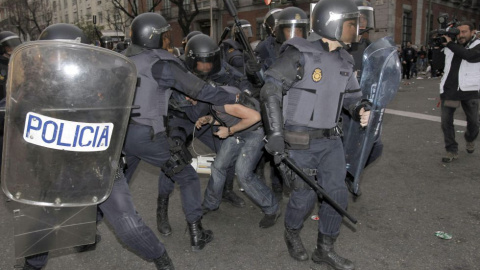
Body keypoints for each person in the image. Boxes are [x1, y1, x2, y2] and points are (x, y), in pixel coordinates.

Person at [21, 23, 175, 270]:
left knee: (128, 224)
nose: (54, 59)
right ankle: (32, 265)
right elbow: (15, 109)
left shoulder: (101, 82)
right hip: (58, 166)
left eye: (60, 53)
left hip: (98, 164)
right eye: (50, 53)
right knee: (44, 222)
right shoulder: (34, 85)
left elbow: (117, 114)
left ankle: (160, 257)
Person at [260, 0, 370, 268]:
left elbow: (353, 96)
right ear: (331, 23)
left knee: (337, 194)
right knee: (303, 196)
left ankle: (325, 248)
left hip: (332, 140)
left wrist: (360, 108)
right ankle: (292, 232)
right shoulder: (299, 53)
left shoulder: (345, 58)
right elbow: (269, 90)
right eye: (350, 24)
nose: (355, 30)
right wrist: (274, 133)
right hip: (300, 141)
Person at [122, 12, 237, 251]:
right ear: (153, 37)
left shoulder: (122, 59)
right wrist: (234, 96)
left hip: (122, 136)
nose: (168, 40)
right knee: (187, 176)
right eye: (165, 35)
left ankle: (88, 231)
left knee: (114, 184)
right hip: (149, 135)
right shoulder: (161, 64)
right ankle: (197, 234)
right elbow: (200, 90)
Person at [155, 34, 252, 236]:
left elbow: (241, 82)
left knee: (229, 149)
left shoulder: (221, 66)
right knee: (173, 161)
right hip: (180, 118)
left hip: (208, 118)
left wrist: (246, 91)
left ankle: (225, 191)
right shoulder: (176, 69)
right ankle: (162, 209)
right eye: (201, 63)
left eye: (210, 63)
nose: (206, 68)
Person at [254, 7, 309, 201]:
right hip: (273, 102)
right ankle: (275, 192)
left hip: (296, 104)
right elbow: (261, 82)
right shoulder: (264, 47)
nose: (295, 35)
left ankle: (297, 188)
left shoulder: (307, 48)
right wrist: (254, 72)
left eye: (300, 30)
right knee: (273, 151)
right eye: (288, 29)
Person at [344, 0, 382, 196]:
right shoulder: (341, 47)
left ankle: (351, 173)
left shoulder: (371, 48)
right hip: (343, 108)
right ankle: (339, 178)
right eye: (358, 18)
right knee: (342, 147)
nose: (362, 23)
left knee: (375, 146)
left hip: (364, 105)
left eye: (365, 18)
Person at [439, 21, 480, 162]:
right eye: (458, 32)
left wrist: (450, 44)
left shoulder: (477, 45)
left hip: (470, 90)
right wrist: (440, 43)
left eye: (464, 32)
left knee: (474, 122)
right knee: (446, 122)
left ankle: (470, 138)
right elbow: (438, 63)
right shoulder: (451, 45)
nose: (460, 35)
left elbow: (469, 56)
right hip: (450, 90)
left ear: (473, 32)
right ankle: (451, 150)